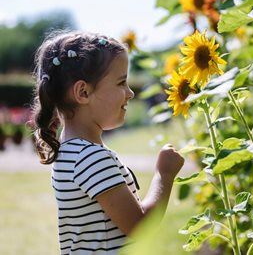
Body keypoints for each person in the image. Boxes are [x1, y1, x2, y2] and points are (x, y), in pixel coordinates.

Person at [31, 31, 185, 254]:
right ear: (83, 92)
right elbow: (139, 227)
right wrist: (164, 174)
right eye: (121, 82)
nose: (130, 93)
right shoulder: (91, 158)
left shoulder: (69, 152)